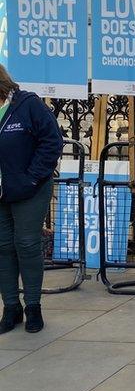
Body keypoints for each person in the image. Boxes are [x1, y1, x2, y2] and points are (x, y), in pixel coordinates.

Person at [0, 64, 63, 334]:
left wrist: (31, 178)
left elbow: (52, 142)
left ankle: (33, 306)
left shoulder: (27, 104)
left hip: (30, 189)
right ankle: (11, 307)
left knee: (26, 243)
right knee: (3, 247)